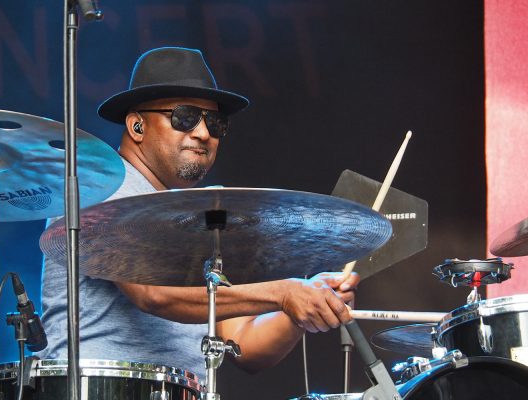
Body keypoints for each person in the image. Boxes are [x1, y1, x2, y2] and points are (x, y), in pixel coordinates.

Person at [40, 47, 360, 379]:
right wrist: (283, 292)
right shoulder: (98, 184)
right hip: (96, 387)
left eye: (215, 122)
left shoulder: (192, 218)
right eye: (185, 117)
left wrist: (303, 307)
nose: (203, 133)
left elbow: (245, 343)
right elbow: (155, 293)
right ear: (137, 126)